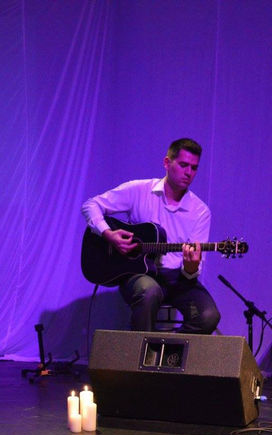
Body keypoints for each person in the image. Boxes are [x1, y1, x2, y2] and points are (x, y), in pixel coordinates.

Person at [81, 138, 220, 334]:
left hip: (178, 280)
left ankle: (167, 349)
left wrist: (191, 267)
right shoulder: (139, 190)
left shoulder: (200, 212)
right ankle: (142, 351)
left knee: (209, 316)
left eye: (194, 168)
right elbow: (91, 205)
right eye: (183, 165)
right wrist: (108, 233)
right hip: (139, 274)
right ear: (167, 163)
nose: (189, 172)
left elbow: (191, 272)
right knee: (149, 291)